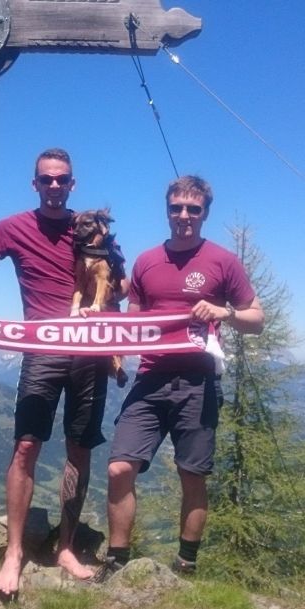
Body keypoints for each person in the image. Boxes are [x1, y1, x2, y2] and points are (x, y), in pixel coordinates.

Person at [0, 148, 128, 598]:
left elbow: (120, 283)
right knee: (26, 446)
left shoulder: (90, 227)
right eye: (46, 179)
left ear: (73, 183)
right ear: (35, 184)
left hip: (90, 353)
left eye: (62, 179)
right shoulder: (16, 228)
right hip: (41, 352)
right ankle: (14, 551)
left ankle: (66, 548)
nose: (55, 186)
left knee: (79, 449)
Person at [104, 176, 264, 575]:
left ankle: (185, 565)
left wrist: (224, 312)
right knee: (119, 467)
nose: (184, 215)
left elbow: (256, 319)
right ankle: (116, 561)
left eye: (193, 208)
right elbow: (134, 321)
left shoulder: (222, 261)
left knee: (192, 474)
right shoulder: (146, 261)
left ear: (205, 213)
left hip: (199, 381)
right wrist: (103, 335)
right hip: (151, 378)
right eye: (176, 207)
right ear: (167, 210)